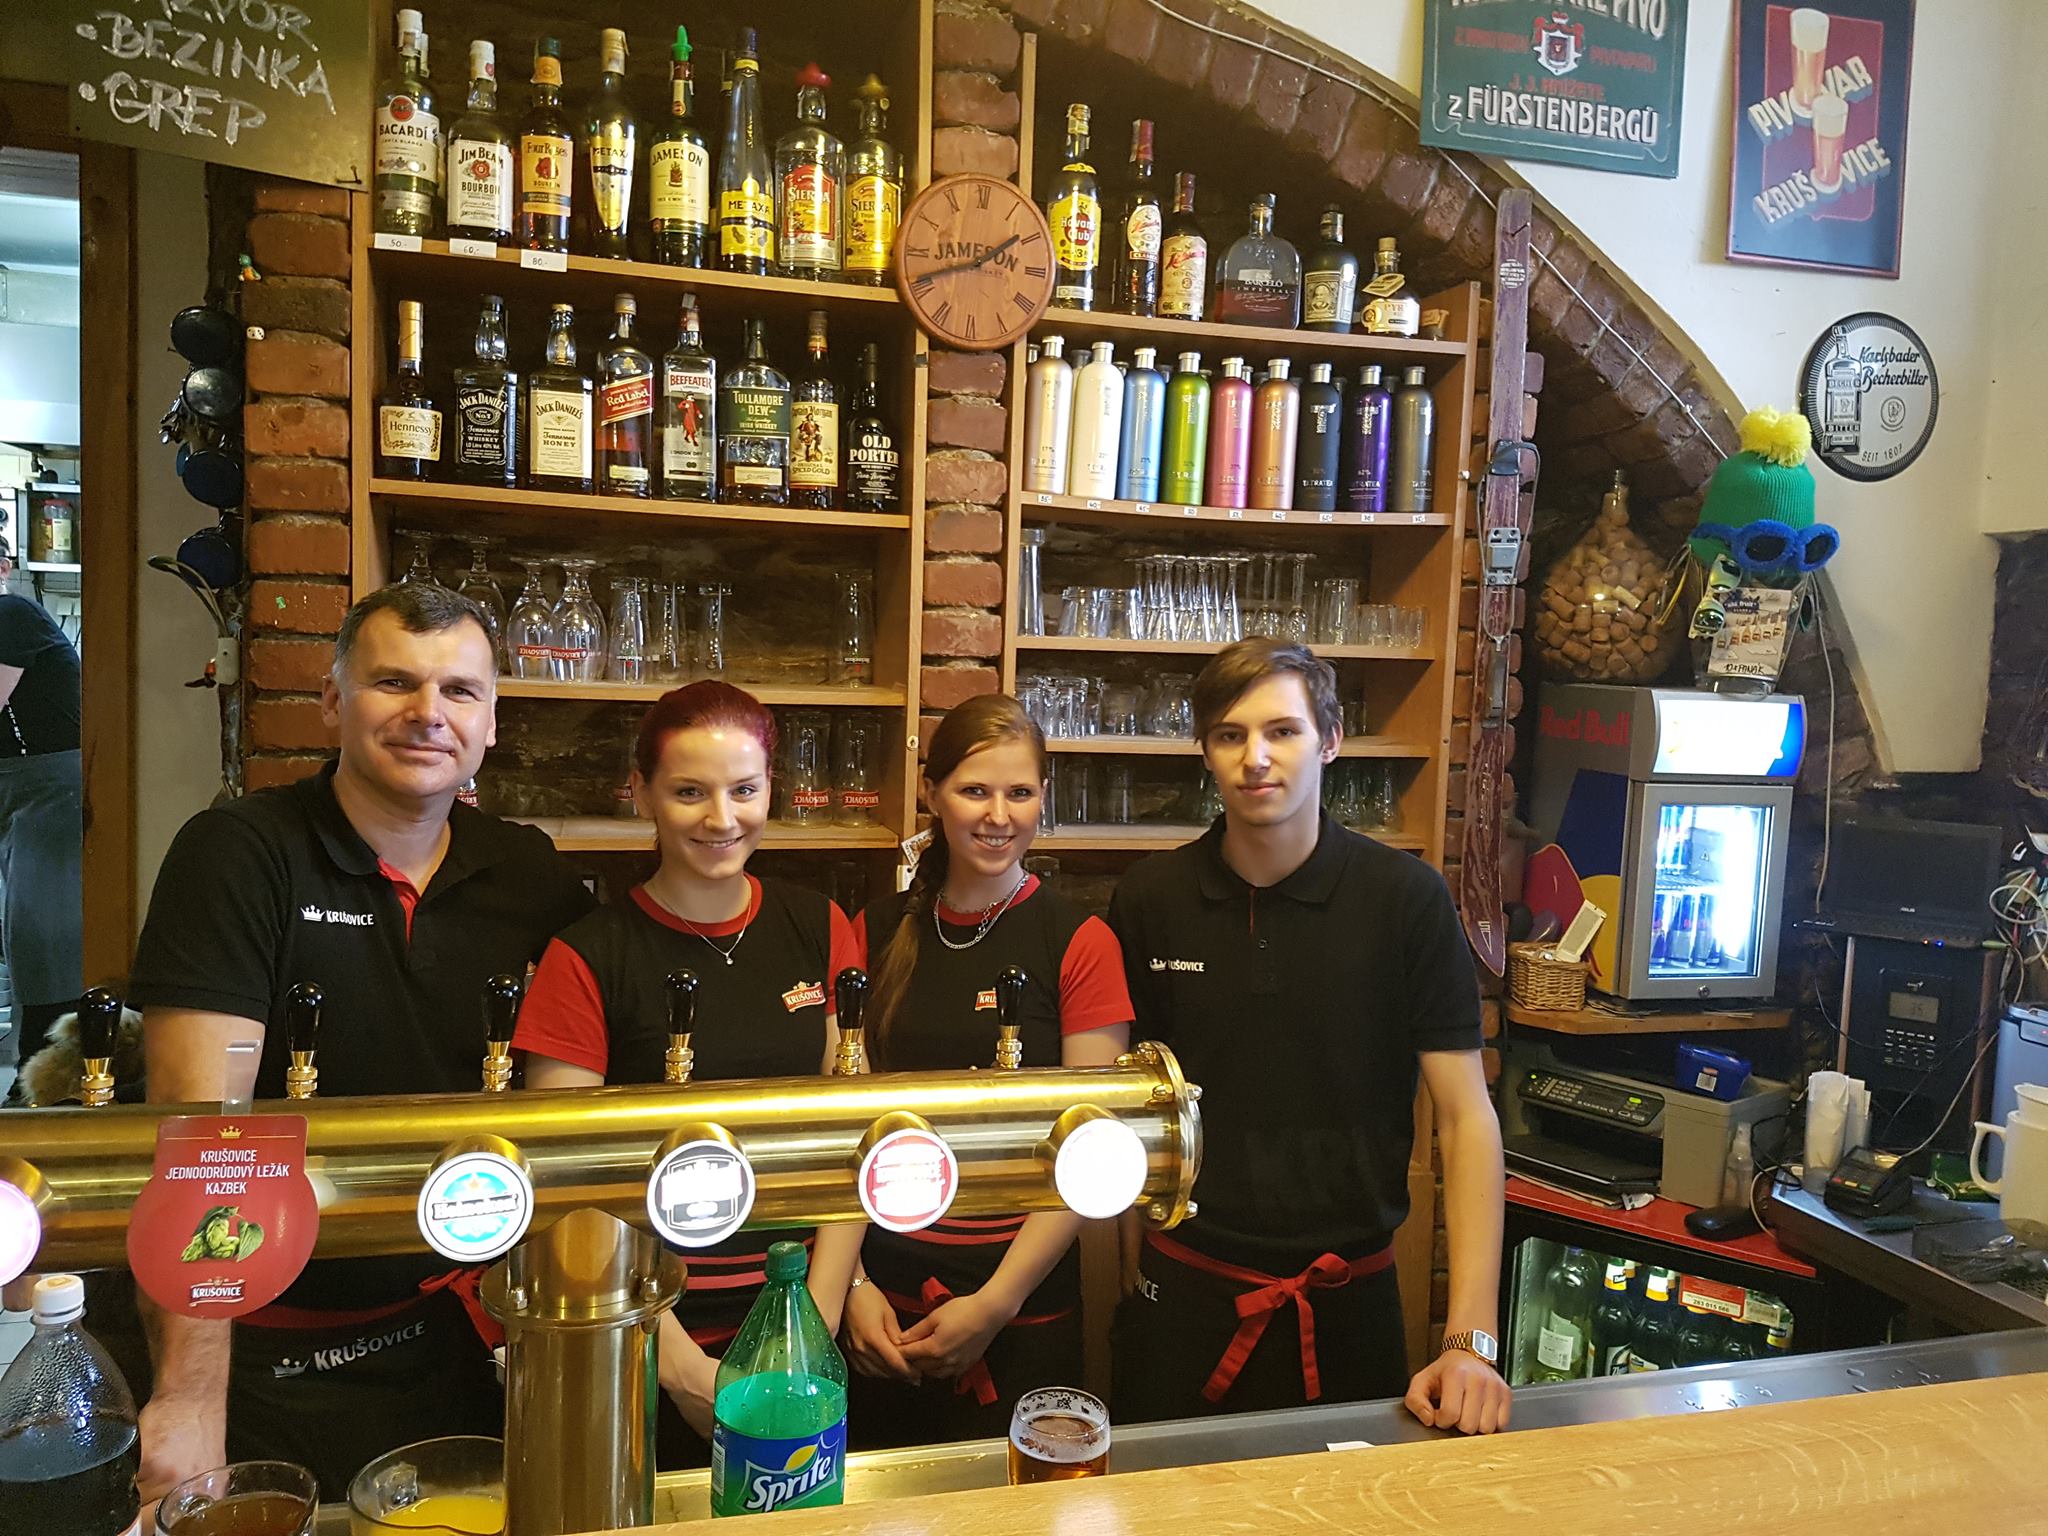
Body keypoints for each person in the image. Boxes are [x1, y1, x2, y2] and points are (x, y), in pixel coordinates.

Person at [128, 584, 596, 1501]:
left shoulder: (527, 873)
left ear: (491, 724)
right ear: (332, 701)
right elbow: (202, 1142)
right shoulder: (238, 853)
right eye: (393, 682)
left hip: (456, 1337)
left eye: (459, 691)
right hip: (263, 1348)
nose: (428, 713)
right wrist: (188, 1396)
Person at [1108, 639, 1511, 1435]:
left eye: (1283, 731)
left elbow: (1466, 1118)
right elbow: (1126, 1106)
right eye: (1230, 735)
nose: (1255, 758)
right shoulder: (1152, 897)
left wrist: (1470, 1339)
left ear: (1329, 741)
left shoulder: (1407, 900)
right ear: (1205, 752)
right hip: (1180, 1293)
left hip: (1349, 1299)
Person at [510, 681, 864, 1466]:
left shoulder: (819, 925)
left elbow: (853, 1133)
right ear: (641, 793)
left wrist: (814, 1323)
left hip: (797, 1309)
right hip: (640, 1320)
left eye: (744, 790)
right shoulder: (587, 955)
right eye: (689, 792)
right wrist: (676, 1365)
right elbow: (568, 1183)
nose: (722, 818)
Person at [842, 694, 1132, 1446]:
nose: (999, 815)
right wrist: (852, 1286)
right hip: (878, 1309)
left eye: (1020, 792)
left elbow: (1091, 1150)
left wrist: (996, 1303)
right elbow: (843, 1127)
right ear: (931, 793)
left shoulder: (1080, 941)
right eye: (975, 790)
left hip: (1022, 1306)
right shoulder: (872, 930)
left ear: (1044, 798)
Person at [0, 534, 82, 1086]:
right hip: (26, 794)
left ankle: (51, 1087)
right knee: (31, 943)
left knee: (43, 944)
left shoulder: (11, 613)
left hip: (51, 792)